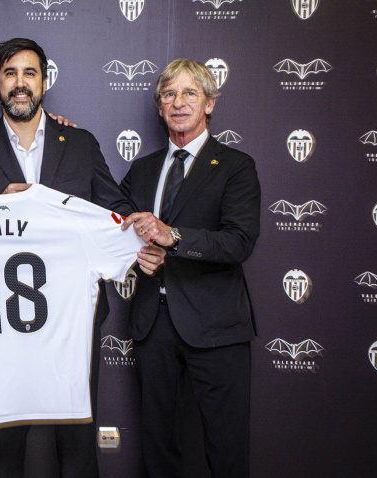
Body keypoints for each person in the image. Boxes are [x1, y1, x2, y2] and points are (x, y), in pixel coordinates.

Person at [0, 37, 154, 478]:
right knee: (6, 440)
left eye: (30, 73)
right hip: (2, 317)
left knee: (77, 435)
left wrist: (144, 236)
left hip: (73, 316)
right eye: (10, 73)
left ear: (44, 82)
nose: (20, 84)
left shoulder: (80, 143)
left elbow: (112, 212)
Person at [120, 59, 261, 478]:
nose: (178, 103)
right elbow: (115, 221)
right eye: (169, 95)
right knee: (158, 447)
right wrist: (136, 252)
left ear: (210, 103)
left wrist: (173, 238)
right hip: (153, 324)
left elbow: (239, 241)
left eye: (189, 94)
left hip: (217, 327)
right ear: (160, 107)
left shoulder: (236, 167)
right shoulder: (142, 170)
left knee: (226, 446)